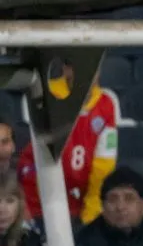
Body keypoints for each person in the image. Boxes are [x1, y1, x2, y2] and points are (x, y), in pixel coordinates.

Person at [18, 64, 119, 230]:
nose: (89, 74)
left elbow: (104, 165)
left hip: (81, 206)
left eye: (95, 66)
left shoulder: (106, 104)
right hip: (39, 201)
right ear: (66, 69)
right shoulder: (47, 93)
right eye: (81, 66)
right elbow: (32, 156)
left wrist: (91, 217)